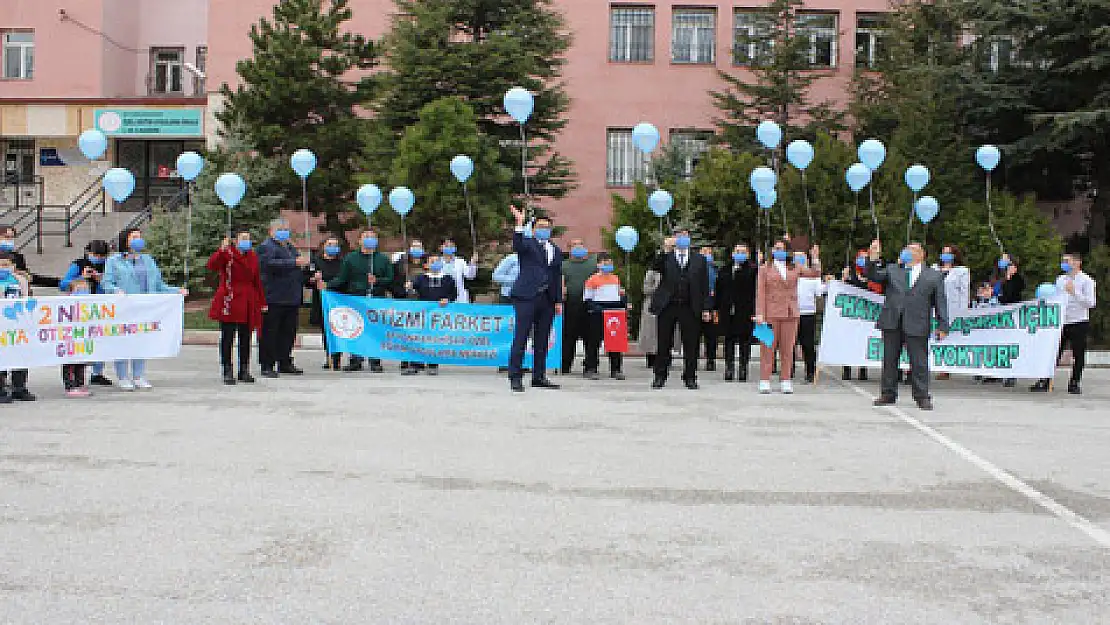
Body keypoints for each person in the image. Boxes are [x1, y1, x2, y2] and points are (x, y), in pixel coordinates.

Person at [866, 239, 950, 410]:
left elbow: (940, 302)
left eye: (911, 249)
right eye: (905, 249)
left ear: (921, 255)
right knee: (890, 360)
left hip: (917, 322)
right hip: (892, 321)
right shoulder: (892, 270)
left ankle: (922, 396)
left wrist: (943, 326)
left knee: (919, 362)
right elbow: (873, 276)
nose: (906, 251)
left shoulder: (933, 276)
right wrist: (873, 258)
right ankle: (888, 393)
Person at [102, 227, 188, 391]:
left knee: (141, 340)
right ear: (126, 240)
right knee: (123, 340)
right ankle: (123, 376)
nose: (138, 239)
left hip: (145, 308)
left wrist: (176, 290)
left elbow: (158, 285)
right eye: (134, 236)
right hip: (124, 307)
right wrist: (115, 290)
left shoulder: (148, 260)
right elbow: (107, 282)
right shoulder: (114, 260)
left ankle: (138, 375)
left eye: (139, 236)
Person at [753, 239, 822, 394]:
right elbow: (760, 293)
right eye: (776, 248)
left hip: (790, 313)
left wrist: (815, 258)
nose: (779, 251)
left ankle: (785, 379)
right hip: (768, 313)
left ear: (788, 251)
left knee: (788, 348)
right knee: (767, 348)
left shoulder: (795, 267)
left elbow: (815, 273)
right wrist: (759, 314)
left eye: (782, 249)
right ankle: (765, 379)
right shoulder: (764, 269)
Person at [507, 206, 563, 392]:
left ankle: (539, 376)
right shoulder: (528, 244)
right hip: (526, 296)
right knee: (521, 336)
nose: (544, 229)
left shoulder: (555, 250)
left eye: (547, 226)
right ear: (533, 228)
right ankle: (515, 376)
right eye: (540, 226)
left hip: (546, 299)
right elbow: (517, 245)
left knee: (542, 339)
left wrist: (557, 301)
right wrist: (519, 223)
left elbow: (556, 276)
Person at [649, 228, 712, 390]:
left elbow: (705, 286)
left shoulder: (700, 260)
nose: (682, 238)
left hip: (690, 306)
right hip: (668, 305)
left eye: (685, 236)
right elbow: (654, 266)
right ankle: (660, 376)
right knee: (664, 343)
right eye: (679, 236)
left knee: (691, 344)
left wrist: (706, 308)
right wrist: (664, 250)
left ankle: (690, 376)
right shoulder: (666, 257)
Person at [327, 227, 394, 372]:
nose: (369, 239)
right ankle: (355, 360)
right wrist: (327, 285)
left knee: (375, 330)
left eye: (372, 236)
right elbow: (342, 279)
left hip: (376, 300)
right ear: (359, 240)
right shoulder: (350, 258)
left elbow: (390, 278)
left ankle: (375, 360)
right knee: (356, 329)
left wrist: (378, 281)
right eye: (366, 236)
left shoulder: (383, 259)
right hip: (355, 299)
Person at [207, 229, 266, 385]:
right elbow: (212, 265)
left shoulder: (252, 256)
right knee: (228, 336)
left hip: (248, 298)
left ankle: (244, 369)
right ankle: (227, 369)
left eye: (248, 238)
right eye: (243, 238)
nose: (247, 241)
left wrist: (262, 301)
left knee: (246, 336)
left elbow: (256, 279)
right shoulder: (228, 254)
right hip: (230, 297)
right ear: (234, 240)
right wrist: (221, 250)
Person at [1032, 253, 1096, 395]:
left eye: (1068, 261)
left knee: (1078, 354)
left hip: (1078, 321)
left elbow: (1091, 303)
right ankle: (1045, 380)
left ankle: (1074, 382)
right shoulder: (1060, 279)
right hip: (1061, 321)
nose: (1065, 263)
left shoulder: (1087, 281)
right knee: (1053, 352)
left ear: (1078, 262)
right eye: (1063, 261)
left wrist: (1074, 292)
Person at [257, 218, 309, 379]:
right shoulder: (266, 247)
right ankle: (267, 364)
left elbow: (297, 265)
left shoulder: (290, 247)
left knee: (288, 332)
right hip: (274, 297)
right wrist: (294, 262)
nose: (284, 232)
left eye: (286, 229)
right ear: (271, 231)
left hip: (291, 297)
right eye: (280, 229)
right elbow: (269, 264)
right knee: (270, 332)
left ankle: (285, 361)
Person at [58, 239, 113, 386]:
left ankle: (97, 372)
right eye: (96, 255)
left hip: (102, 306)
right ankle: (74, 377)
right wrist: (82, 277)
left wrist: (101, 279)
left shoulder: (109, 265)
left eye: (102, 256)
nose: (99, 258)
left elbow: (112, 284)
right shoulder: (78, 264)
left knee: (101, 339)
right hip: (81, 308)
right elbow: (63, 285)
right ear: (88, 252)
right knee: (81, 341)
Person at [406, 254, 457, 376]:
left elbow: (453, 294)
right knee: (418, 338)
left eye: (437, 261)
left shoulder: (448, 279)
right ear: (426, 265)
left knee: (434, 339)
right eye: (432, 261)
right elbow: (412, 291)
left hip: (439, 314)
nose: (435, 263)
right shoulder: (421, 278)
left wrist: (447, 299)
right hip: (422, 314)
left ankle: (432, 364)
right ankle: (415, 364)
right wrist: (409, 287)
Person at [716, 244, 758, 382]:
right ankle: (729, 367)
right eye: (737, 251)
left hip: (745, 311)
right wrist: (716, 308)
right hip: (728, 310)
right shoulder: (725, 270)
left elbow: (754, 292)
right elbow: (719, 291)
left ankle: (743, 368)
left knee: (744, 341)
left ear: (747, 255)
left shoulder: (752, 270)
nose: (739, 254)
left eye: (743, 252)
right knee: (729, 340)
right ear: (732, 253)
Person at [582, 252, 627, 380]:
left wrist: (623, 299)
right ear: (598, 264)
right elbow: (587, 299)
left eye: (610, 263)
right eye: (605, 263)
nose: (608, 265)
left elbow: (618, 295)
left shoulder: (615, 278)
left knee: (615, 341)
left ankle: (616, 369)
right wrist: (597, 309)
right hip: (598, 312)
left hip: (614, 312)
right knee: (594, 342)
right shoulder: (592, 279)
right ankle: (591, 368)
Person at [841, 250, 882, 381]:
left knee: (863, 341)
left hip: (865, 315)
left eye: (866, 258)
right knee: (848, 342)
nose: (863, 260)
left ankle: (862, 369)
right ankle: (846, 369)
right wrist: (844, 278)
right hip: (851, 314)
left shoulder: (872, 275)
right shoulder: (850, 274)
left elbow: (877, 291)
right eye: (860, 258)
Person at [0, 252, 35, 403]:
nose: (3, 268)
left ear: (13, 266)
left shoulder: (20, 280)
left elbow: (26, 299)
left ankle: (19, 387)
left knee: (20, 355)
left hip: (17, 323)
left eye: (6, 265)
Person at [308, 236, 345, 370]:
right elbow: (307, 279)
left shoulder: (342, 262)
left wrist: (329, 285)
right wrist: (313, 279)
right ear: (323, 246)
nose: (332, 247)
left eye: (335, 244)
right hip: (321, 300)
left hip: (338, 299)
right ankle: (329, 355)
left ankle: (337, 358)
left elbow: (343, 278)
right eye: (330, 244)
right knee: (326, 330)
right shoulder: (316, 261)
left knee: (337, 329)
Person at [560, 237, 595, 374]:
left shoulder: (593, 264)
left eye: (580, 244)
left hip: (589, 305)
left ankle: (590, 366)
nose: (578, 247)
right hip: (570, 305)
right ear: (569, 250)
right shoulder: (564, 265)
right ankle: (565, 366)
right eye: (574, 245)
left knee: (590, 338)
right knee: (569, 337)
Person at [793, 250, 827, 384]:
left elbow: (820, 292)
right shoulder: (790, 274)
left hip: (808, 313)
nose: (799, 259)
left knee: (808, 344)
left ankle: (810, 372)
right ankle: (789, 371)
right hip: (792, 313)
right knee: (790, 344)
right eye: (797, 257)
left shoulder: (813, 275)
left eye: (802, 257)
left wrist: (829, 284)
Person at [61, 277, 94, 397]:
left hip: (83, 338)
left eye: (86, 289)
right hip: (70, 338)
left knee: (82, 363)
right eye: (79, 289)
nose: (83, 292)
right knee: (70, 363)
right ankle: (70, 386)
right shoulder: (65, 304)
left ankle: (80, 384)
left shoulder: (90, 304)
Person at [0, 224, 59, 290]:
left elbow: (30, 278)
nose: (10, 240)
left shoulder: (17, 257)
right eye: (6, 237)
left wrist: (58, 282)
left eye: (12, 238)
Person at [698, 246, 719, 372]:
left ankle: (711, 359)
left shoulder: (716, 270)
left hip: (713, 306)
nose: (707, 255)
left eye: (709, 253)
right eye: (704, 252)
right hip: (698, 305)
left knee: (712, 335)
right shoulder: (695, 269)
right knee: (695, 333)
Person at [440, 238, 477, 303]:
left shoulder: (461, 261)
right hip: (441, 298)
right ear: (441, 248)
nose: (449, 247)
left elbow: (470, 276)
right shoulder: (437, 261)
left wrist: (473, 263)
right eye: (446, 246)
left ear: (455, 248)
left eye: (451, 246)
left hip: (459, 298)